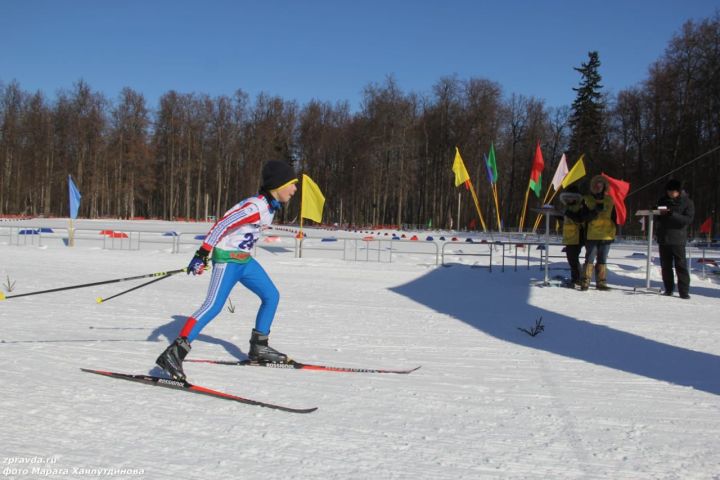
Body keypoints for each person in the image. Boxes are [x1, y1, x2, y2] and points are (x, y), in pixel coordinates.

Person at [156, 160, 299, 381]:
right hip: (228, 261)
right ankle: (173, 354)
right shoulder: (255, 207)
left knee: (271, 295)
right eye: (292, 184)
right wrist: (202, 253)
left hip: (245, 262)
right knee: (213, 306)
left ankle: (259, 347)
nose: (295, 189)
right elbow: (222, 224)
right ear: (278, 184)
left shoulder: (269, 206)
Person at [655, 179, 694, 299]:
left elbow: (687, 220)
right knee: (665, 266)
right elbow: (658, 219)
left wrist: (673, 214)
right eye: (669, 191)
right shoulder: (663, 200)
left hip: (678, 239)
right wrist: (656, 212)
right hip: (664, 238)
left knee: (680, 266)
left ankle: (684, 291)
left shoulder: (687, 202)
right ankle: (668, 289)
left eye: (673, 192)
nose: (671, 194)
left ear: (679, 191)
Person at [580, 175, 616, 291]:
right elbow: (584, 217)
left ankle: (601, 282)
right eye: (595, 185)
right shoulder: (587, 199)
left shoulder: (610, 200)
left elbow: (614, 218)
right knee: (590, 258)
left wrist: (614, 233)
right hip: (592, 235)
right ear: (592, 187)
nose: (598, 187)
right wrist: (595, 211)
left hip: (606, 234)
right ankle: (585, 281)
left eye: (600, 185)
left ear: (604, 187)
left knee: (602, 259)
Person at [559, 185, 588, 286]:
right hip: (569, 236)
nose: (569, 199)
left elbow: (580, 219)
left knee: (573, 258)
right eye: (568, 197)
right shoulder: (567, 207)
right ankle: (576, 277)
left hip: (578, 236)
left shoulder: (581, 206)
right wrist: (557, 216)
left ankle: (577, 278)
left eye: (572, 197)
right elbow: (567, 220)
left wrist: (568, 214)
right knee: (571, 258)